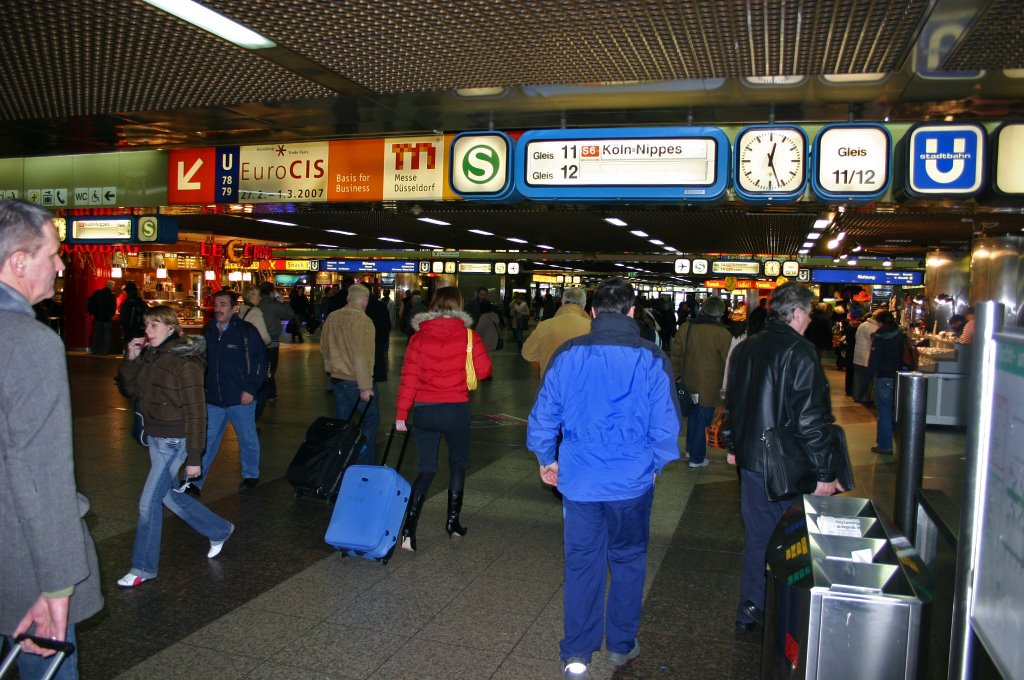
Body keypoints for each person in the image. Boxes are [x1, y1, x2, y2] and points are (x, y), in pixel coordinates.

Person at [526, 277, 681, 678]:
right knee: (628, 559)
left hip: (579, 480)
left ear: (593, 312)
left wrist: (547, 458)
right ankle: (621, 645)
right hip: (632, 482)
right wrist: (655, 467)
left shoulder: (569, 353)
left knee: (582, 562)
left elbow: (544, 416)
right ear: (633, 311)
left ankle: (577, 652)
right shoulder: (651, 357)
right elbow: (666, 427)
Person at [0, 199, 103, 679]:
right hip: (19, 563)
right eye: (54, 254)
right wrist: (58, 584)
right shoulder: (29, 342)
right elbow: (41, 474)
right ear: (19, 262)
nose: (62, 264)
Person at [723, 282, 844, 632]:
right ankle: (789, 613)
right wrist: (824, 472)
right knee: (795, 539)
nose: (809, 320)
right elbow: (811, 418)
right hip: (789, 465)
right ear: (796, 312)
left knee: (758, 537)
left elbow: (733, 403)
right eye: (808, 312)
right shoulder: (800, 351)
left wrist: (733, 446)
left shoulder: (746, 348)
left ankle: (751, 607)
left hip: (752, 462)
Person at [115, 306, 234, 588]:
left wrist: (194, 457)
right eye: (146, 325)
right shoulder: (151, 356)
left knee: (149, 502)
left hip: (174, 441)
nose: (148, 331)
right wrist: (130, 359)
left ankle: (143, 567)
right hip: (155, 437)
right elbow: (131, 391)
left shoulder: (186, 362)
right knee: (166, 496)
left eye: (154, 325)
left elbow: (196, 412)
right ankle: (219, 529)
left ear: (171, 328)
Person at [394, 287, 492, 552]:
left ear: (434, 306)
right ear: (459, 305)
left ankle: (407, 532)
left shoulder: (418, 338)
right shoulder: (469, 336)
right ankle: (452, 523)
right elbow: (483, 372)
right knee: (458, 465)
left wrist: (402, 414)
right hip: (456, 409)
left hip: (424, 410)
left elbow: (409, 379)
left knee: (426, 470)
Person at [193, 290, 267, 492]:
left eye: (223, 305)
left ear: (235, 308)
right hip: (214, 398)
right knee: (207, 441)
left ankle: (251, 475)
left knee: (247, 439)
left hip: (240, 397)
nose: (218, 309)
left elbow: (260, 362)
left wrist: (250, 389)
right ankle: (194, 481)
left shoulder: (246, 331)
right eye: (217, 305)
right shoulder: (209, 331)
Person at [322, 283, 380, 466]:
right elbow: (362, 356)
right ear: (364, 300)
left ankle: (339, 462)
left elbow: (324, 347)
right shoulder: (363, 321)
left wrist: (331, 367)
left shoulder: (332, 316)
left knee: (343, 423)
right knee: (370, 421)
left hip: (337, 379)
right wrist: (365, 386)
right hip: (356, 380)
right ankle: (364, 462)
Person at [671, 296, 733, 468]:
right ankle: (696, 458)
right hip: (709, 386)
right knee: (701, 420)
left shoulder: (686, 328)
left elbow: (676, 354)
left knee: (693, 416)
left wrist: (676, 375)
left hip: (689, 383)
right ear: (720, 312)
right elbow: (729, 360)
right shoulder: (722, 334)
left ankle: (691, 449)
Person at [522, 287, 591, 376]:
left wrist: (546, 356)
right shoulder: (593, 327)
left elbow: (527, 353)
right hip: (583, 383)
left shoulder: (544, 326)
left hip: (550, 383)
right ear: (584, 304)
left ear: (562, 302)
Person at [868, 311, 902, 455]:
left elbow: (875, 360)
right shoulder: (899, 334)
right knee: (894, 410)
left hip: (884, 376)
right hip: (899, 375)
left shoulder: (881, 336)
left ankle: (885, 444)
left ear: (880, 322)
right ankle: (896, 443)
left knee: (884, 411)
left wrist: (867, 379)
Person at [257, 281, 292, 401]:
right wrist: (283, 302)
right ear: (272, 293)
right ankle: (270, 393)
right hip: (272, 341)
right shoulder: (274, 305)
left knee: (260, 366)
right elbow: (289, 315)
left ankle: (264, 392)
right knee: (271, 369)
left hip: (258, 340)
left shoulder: (257, 304)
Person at [853, 309, 882, 404]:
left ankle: (857, 396)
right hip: (867, 356)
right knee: (868, 379)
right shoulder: (873, 328)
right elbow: (874, 342)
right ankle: (865, 398)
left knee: (858, 378)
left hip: (857, 356)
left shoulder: (862, 325)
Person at [365, 286, 393, 383]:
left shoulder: (361, 307)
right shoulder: (381, 305)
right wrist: (383, 339)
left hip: (363, 342)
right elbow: (387, 324)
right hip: (378, 340)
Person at [87, 279, 117, 354]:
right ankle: (105, 351)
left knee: (96, 334)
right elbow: (113, 307)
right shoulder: (112, 295)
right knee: (106, 335)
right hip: (107, 318)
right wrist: (111, 314)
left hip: (98, 317)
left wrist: (93, 312)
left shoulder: (97, 293)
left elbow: (89, 301)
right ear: (111, 286)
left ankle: (95, 350)